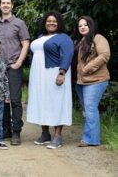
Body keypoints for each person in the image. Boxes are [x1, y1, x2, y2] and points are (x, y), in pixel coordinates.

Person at [26, 11, 74, 149]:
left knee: (57, 101)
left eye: (54, 21)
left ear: (59, 23)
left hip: (54, 73)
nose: (51, 23)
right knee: (42, 101)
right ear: (45, 23)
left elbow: (68, 55)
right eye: (49, 21)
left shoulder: (63, 38)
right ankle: (45, 133)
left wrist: (62, 72)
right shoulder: (41, 36)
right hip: (38, 75)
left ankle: (57, 135)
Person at [0, 0, 30, 145]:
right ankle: (5, 129)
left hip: (14, 67)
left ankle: (16, 132)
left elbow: (25, 44)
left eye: (8, 3)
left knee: (15, 100)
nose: (6, 5)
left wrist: (19, 62)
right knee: (2, 100)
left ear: (12, 6)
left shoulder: (19, 23)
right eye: (3, 3)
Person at [74, 16, 110, 147]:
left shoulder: (98, 38)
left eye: (85, 25)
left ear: (91, 26)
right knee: (87, 109)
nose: (82, 27)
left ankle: (90, 139)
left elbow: (104, 55)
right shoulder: (79, 41)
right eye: (80, 25)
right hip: (81, 81)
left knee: (90, 108)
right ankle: (90, 136)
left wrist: (87, 69)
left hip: (96, 80)